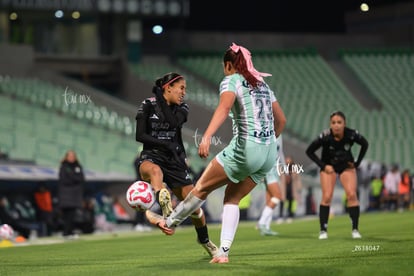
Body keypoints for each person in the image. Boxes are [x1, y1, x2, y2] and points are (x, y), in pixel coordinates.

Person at [146, 42, 286, 263]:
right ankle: (224, 252)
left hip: (247, 149)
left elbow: (224, 107)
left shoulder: (232, 80)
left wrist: (208, 135)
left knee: (201, 188)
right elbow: (282, 121)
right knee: (232, 198)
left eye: (224, 66)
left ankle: (169, 222)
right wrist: (266, 142)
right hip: (269, 154)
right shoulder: (263, 85)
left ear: (229, 65)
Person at [135, 72, 218, 257]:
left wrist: (160, 97)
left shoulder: (183, 108)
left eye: (185, 89)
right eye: (181, 88)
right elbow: (139, 136)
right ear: (168, 87)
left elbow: (172, 123)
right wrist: (165, 144)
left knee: (195, 208)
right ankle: (163, 200)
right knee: (155, 171)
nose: (184, 92)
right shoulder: (147, 105)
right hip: (152, 156)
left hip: (174, 160)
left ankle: (204, 240)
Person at [306, 111, 368, 240]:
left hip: (346, 166)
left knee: (351, 194)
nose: (336, 125)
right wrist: (323, 166)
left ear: (344, 124)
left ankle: (355, 229)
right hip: (329, 167)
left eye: (339, 122)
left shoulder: (351, 134)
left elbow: (365, 144)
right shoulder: (325, 136)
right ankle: (323, 230)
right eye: (333, 122)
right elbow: (309, 151)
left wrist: (357, 163)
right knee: (327, 196)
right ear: (330, 124)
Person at [257, 135, 284, 236]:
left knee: (270, 199)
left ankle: (266, 228)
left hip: (274, 168)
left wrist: (283, 167)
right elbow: (260, 151)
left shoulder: (279, 135)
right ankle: (261, 223)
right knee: (277, 196)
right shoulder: (265, 131)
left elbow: (280, 152)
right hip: (268, 168)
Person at [57, 150, 85, 239]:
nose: (72, 158)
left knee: (73, 214)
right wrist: (74, 179)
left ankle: (70, 231)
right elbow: (64, 180)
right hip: (66, 195)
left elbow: (81, 178)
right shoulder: (64, 167)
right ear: (66, 157)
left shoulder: (78, 166)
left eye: (73, 156)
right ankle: (66, 232)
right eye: (70, 156)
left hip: (75, 195)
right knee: (67, 215)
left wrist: (73, 177)